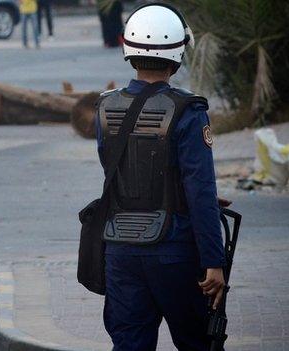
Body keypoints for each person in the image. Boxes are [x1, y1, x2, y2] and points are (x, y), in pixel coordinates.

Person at [94, 3, 226, 350]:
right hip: (175, 252)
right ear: (179, 54)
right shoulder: (189, 111)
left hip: (119, 251)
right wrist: (215, 261)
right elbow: (200, 190)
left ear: (128, 49)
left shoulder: (105, 108)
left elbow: (118, 172)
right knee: (200, 343)